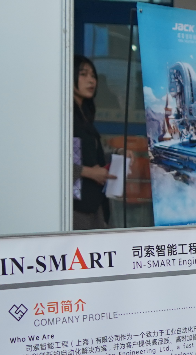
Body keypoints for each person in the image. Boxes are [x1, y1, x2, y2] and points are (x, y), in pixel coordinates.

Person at [73, 54, 114, 230]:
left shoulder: (85, 115)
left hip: (94, 203)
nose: (91, 80)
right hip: (75, 208)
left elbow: (86, 156)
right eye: (83, 74)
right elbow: (52, 163)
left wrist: (117, 154)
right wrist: (89, 172)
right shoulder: (63, 115)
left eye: (93, 75)